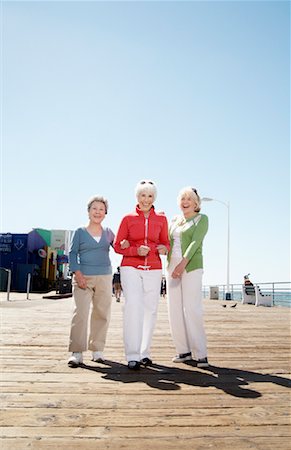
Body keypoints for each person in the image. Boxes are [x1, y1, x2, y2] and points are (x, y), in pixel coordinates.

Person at [114, 180, 170, 370]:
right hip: (131, 267)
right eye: (143, 195)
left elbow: (166, 243)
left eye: (150, 196)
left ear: (154, 198)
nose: (146, 200)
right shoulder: (127, 219)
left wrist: (163, 248)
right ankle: (132, 355)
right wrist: (135, 251)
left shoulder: (161, 219)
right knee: (133, 307)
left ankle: (145, 352)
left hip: (154, 268)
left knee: (150, 310)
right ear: (137, 197)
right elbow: (117, 245)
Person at [67, 195, 114, 367]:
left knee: (102, 313)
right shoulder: (79, 232)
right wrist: (77, 274)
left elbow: (122, 246)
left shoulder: (109, 233)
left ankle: (97, 350)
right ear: (88, 212)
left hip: (104, 276)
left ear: (105, 213)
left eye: (101, 209)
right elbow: (72, 254)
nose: (98, 212)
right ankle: (77, 352)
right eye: (94, 208)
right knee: (80, 313)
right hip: (83, 277)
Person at [167, 186, 209, 368]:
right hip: (171, 265)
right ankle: (183, 351)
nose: (185, 202)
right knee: (174, 309)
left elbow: (195, 242)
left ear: (196, 203)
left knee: (192, 308)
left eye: (189, 199)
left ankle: (201, 353)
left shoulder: (202, 219)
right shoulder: (175, 220)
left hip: (190, 265)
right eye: (182, 199)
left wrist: (181, 265)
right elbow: (165, 239)